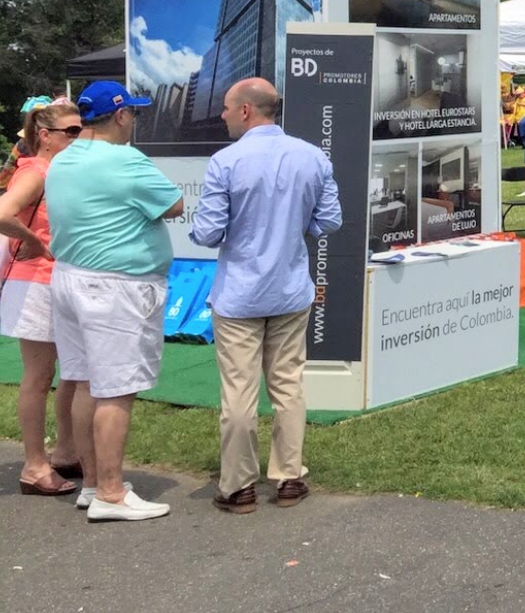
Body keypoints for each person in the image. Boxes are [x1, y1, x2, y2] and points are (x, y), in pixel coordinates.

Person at [189, 78, 342, 514]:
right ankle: (289, 477)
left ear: (245, 111)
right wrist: (295, 229)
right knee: (288, 385)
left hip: (239, 294)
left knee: (238, 392)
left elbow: (208, 232)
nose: (221, 115)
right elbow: (330, 220)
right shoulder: (313, 156)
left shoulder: (225, 161)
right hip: (290, 290)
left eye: (225, 108)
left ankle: (238, 486)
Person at [44, 81, 183, 522]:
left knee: (86, 383)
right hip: (116, 286)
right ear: (120, 116)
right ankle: (110, 492)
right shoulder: (125, 159)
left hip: (71, 278)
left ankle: (93, 485)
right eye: (133, 113)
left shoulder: (63, 159)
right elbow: (174, 205)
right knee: (117, 391)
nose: (134, 121)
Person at [0, 97, 85, 496]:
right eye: (72, 131)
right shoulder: (35, 170)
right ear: (46, 136)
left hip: (56, 280)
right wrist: (34, 241)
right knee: (38, 376)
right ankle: (34, 465)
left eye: (81, 129)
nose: (79, 137)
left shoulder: (61, 170)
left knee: (72, 371)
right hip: (34, 282)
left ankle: (65, 451)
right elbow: (3, 212)